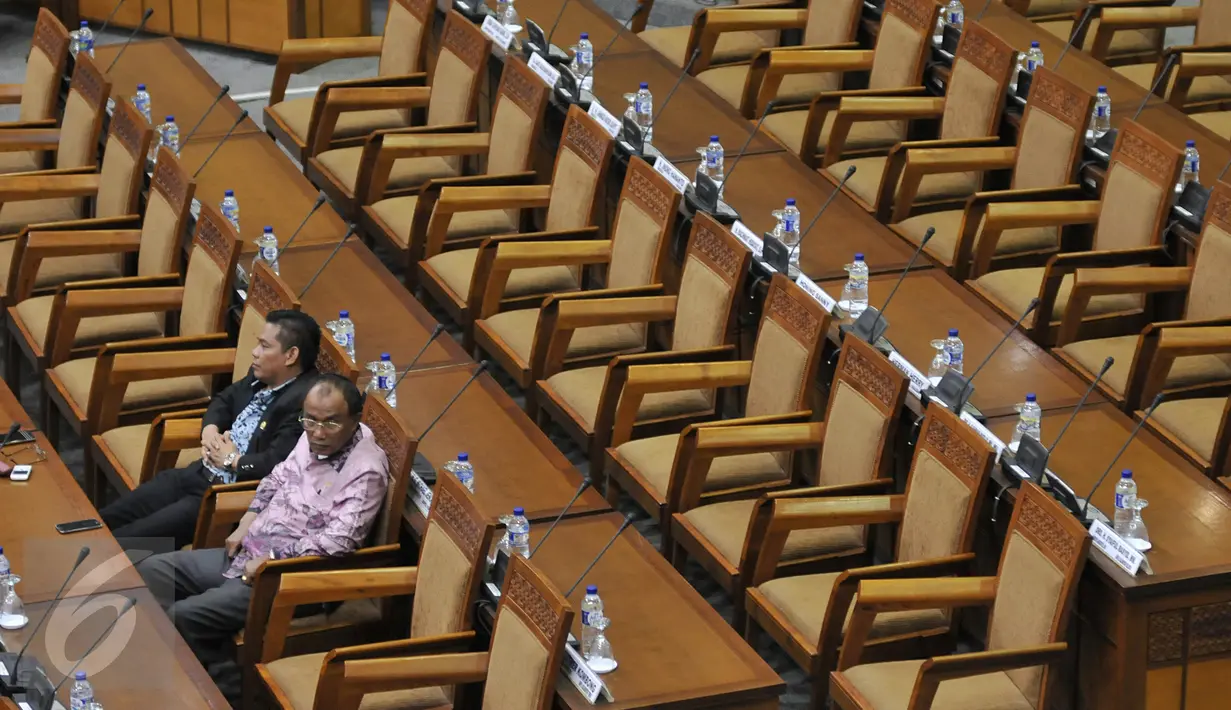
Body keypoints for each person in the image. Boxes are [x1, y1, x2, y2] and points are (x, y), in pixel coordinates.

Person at [137, 375, 389, 707]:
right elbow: (276, 478)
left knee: (184, 615)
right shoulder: (311, 437)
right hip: (249, 549)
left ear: (354, 420)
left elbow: (339, 541)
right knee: (152, 570)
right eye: (310, 420)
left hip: (288, 577)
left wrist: (274, 557)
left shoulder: (365, 470)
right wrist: (246, 520)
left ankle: (222, 694)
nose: (318, 432)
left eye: (330, 422)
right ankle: (170, 677)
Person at [100, 309, 322, 551]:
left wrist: (231, 460)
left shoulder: (305, 404)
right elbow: (224, 400)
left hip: (219, 498)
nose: (254, 352)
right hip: (196, 473)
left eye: (264, 346)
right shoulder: (261, 373)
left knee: (124, 543)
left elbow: (274, 465)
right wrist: (210, 431)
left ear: (290, 355)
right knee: (103, 520)